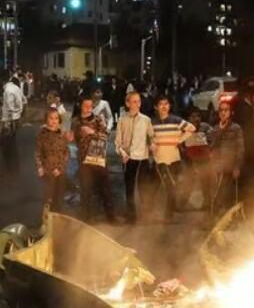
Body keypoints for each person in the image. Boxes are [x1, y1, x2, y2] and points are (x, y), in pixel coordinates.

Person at [71, 97, 117, 223]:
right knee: (85, 190)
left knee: (105, 189)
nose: (88, 108)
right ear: (81, 106)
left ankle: (111, 217)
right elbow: (74, 138)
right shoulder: (75, 121)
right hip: (84, 160)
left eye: (90, 106)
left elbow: (105, 137)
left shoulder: (98, 119)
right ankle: (86, 219)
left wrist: (92, 132)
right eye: (85, 106)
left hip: (99, 159)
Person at [151, 96, 196, 222]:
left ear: (169, 106)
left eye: (166, 104)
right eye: (161, 104)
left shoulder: (176, 120)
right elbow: (149, 137)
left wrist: (179, 140)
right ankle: (153, 211)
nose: (164, 107)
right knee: (159, 186)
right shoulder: (152, 123)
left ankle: (168, 215)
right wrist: (152, 145)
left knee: (171, 186)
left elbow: (192, 128)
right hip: (159, 160)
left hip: (174, 159)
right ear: (156, 107)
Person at [115, 91, 154, 224]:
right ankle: (131, 216)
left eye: (139, 101)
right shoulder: (122, 120)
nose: (137, 104)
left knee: (144, 188)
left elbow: (151, 137)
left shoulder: (146, 120)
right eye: (134, 101)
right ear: (127, 103)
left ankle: (145, 215)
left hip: (142, 158)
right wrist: (122, 153)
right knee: (129, 188)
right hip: (129, 158)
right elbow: (117, 143)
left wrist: (152, 145)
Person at [233, 84, 254, 207]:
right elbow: (246, 130)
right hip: (248, 150)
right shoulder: (244, 109)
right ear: (250, 95)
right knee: (248, 178)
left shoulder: (253, 107)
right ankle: (248, 203)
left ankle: (253, 201)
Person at [208, 101, 244, 217]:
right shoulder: (215, 129)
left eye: (226, 110)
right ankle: (217, 217)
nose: (223, 113)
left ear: (231, 112)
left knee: (228, 193)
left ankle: (230, 217)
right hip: (218, 166)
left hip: (231, 165)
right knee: (217, 192)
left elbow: (240, 148)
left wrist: (237, 167)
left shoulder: (236, 128)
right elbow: (212, 148)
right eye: (221, 110)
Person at [35, 108, 70, 213]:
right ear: (46, 120)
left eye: (56, 118)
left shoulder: (62, 134)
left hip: (60, 171)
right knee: (47, 199)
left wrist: (60, 168)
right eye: (51, 118)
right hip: (47, 172)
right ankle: (47, 223)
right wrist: (40, 167)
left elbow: (66, 153)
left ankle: (57, 222)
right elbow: (37, 153)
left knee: (58, 199)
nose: (54, 121)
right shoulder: (42, 135)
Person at [182, 107, 213, 211]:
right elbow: (180, 144)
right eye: (193, 116)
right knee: (188, 181)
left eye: (198, 116)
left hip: (204, 160)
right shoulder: (184, 129)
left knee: (205, 182)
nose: (196, 119)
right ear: (189, 118)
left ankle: (207, 202)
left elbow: (212, 141)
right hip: (189, 161)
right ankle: (182, 203)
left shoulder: (206, 127)